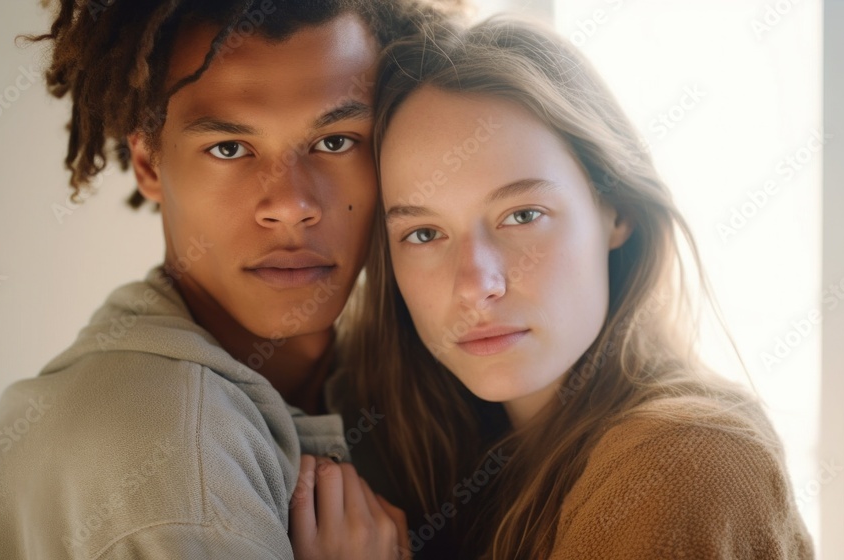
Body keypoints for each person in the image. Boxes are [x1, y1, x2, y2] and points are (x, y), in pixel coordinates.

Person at [0, 1, 461, 558]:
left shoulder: (413, 376)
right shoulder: (169, 466)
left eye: (334, 142)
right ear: (148, 165)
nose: (290, 206)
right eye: (230, 148)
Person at [341, 17, 816, 559]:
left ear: (618, 212)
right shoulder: (436, 452)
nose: (476, 285)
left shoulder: (681, 461)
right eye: (423, 233)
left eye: (522, 215)